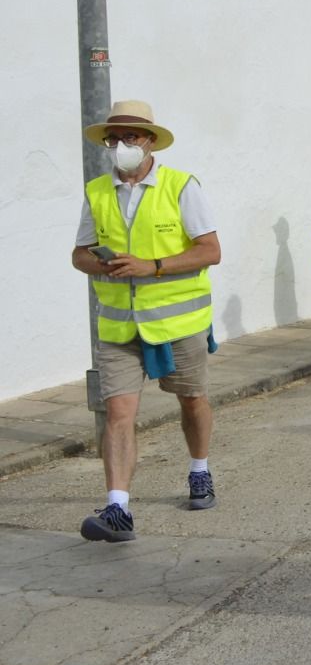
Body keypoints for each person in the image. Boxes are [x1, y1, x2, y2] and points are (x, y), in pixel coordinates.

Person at [73, 100, 223, 542]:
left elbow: (209, 250)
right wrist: (101, 264)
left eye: (131, 137)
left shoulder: (181, 186)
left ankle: (200, 470)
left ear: (151, 142)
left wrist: (152, 266)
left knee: (192, 399)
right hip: (119, 327)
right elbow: (79, 254)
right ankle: (118, 509)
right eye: (114, 139)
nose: (121, 146)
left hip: (178, 324)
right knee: (119, 413)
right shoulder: (97, 191)